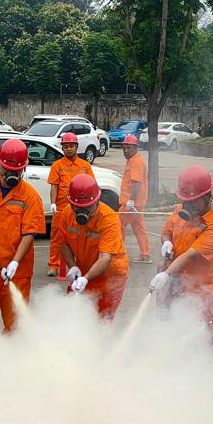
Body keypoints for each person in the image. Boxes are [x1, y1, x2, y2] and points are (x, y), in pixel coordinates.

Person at [0, 138, 45, 334]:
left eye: (17, 171)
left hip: (16, 274)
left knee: (15, 327)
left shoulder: (30, 197)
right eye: (7, 169)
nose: (12, 174)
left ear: (24, 169)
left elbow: (29, 233)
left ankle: (9, 354)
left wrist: (15, 262)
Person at [149, 165, 213, 341]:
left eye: (192, 201)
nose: (187, 205)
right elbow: (166, 231)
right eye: (185, 201)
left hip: (202, 293)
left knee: (198, 340)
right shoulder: (183, 208)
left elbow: (191, 255)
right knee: (169, 333)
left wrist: (166, 273)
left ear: (207, 195)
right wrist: (166, 242)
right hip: (175, 284)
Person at [59, 174, 129, 319]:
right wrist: (73, 266)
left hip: (110, 276)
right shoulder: (67, 213)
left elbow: (105, 258)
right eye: (76, 207)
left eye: (86, 207)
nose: (81, 212)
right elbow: (64, 244)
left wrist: (86, 278)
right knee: (72, 315)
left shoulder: (109, 219)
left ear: (97, 200)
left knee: (101, 321)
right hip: (84, 271)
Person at [46, 131, 94, 276]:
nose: (68, 149)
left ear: (76, 146)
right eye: (66, 146)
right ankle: (53, 265)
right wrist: (53, 203)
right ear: (62, 148)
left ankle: (80, 264)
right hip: (62, 208)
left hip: (80, 209)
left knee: (80, 237)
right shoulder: (57, 165)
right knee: (57, 237)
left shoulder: (85, 165)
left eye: (71, 146)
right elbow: (54, 186)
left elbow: (91, 185)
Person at [119, 134, 151, 263]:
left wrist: (131, 201)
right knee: (139, 228)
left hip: (130, 204)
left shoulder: (136, 162)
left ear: (136, 148)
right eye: (124, 148)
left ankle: (119, 253)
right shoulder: (133, 160)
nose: (126, 151)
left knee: (118, 225)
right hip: (136, 204)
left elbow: (137, 183)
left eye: (129, 148)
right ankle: (145, 254)